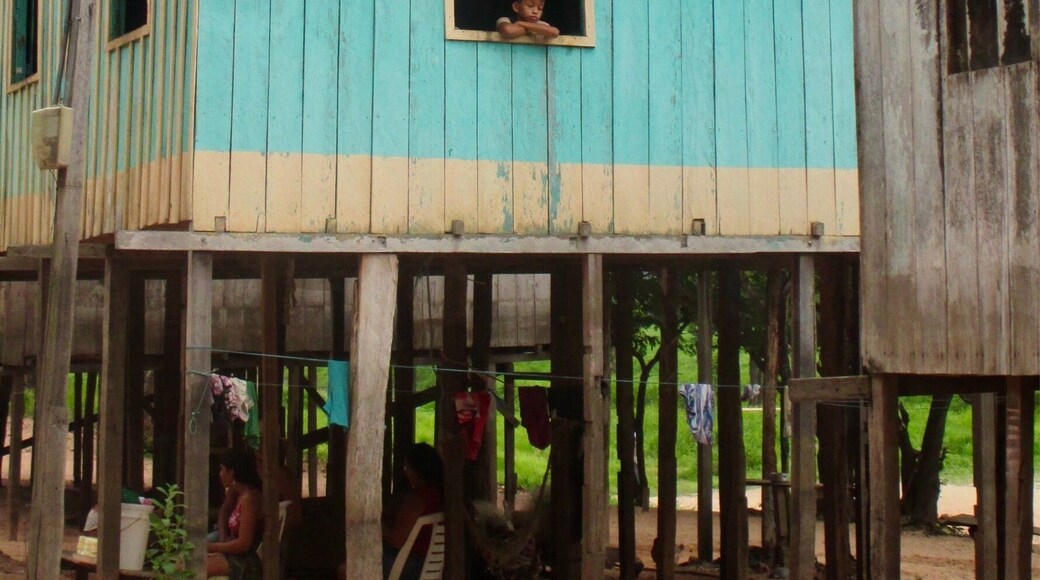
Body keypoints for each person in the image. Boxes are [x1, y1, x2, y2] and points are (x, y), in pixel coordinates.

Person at [337, 442, 444, 580]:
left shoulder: (417, 499)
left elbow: (396, 541)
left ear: (418, 469)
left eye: (407, 467)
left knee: (345, 569)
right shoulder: (439, 494)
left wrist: (376, 520)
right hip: (432, 564)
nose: (406, 472)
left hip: (410, 564)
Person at [207, 450, 265, 579]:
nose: (220, 474)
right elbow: (224, 510)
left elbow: (244, 544)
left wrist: (211, 547)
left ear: (232, 473)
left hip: (248, 561)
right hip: (236, 555)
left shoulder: (249, 498)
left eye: (222, 469)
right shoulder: (240, 494)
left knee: (196, 568)